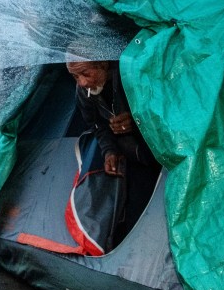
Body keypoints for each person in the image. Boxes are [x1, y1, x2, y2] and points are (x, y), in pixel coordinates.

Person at [67, 60, 160, 244]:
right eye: (75, 76)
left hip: (159, 154)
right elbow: (97, 126)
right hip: (134, 158)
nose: (82, 82)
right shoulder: (84, 92)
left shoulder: (131, 75)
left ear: (102, 65)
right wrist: (109, 151)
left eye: (86, 73)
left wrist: (137, 122)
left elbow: (162, 111)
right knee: (136, 211)